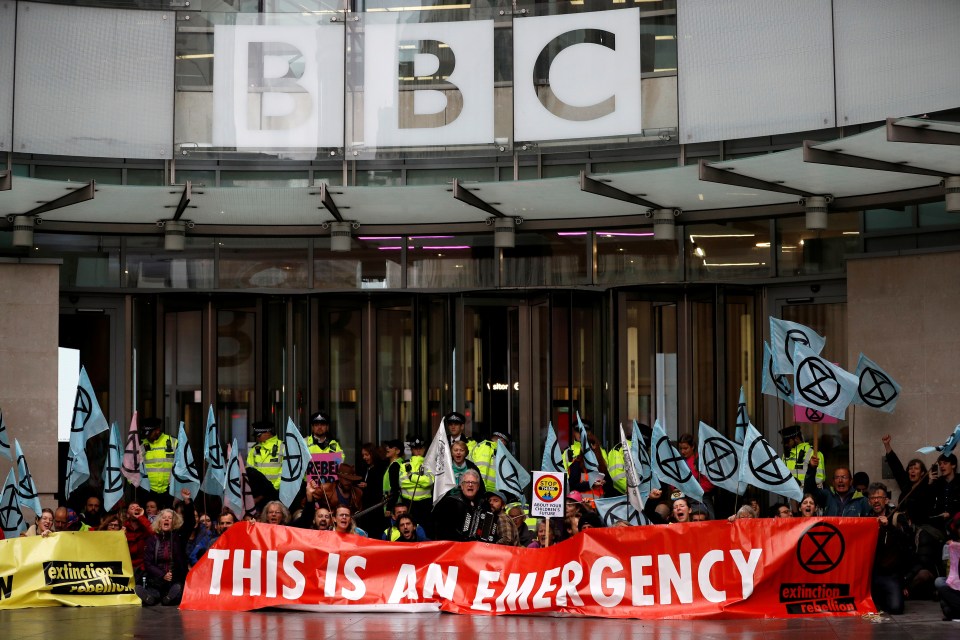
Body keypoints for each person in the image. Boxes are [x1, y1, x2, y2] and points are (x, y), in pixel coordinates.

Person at [138, 489, 195, 607]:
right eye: (164, 518)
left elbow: (190, 522)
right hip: (157, 579)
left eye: (170, 518)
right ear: (159, 522)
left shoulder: (180, 536)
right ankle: (151, 597)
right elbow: (148, 563)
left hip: (175, 579)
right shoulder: (152, 539)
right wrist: (162, 574)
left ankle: (168, 598)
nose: (167, 519)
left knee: (177, 590)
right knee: (154, 592)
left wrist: (187, 501)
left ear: (175, 522)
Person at [869, 482, 909, 615]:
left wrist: (888, 527)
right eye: (872, 498)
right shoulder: (866, 519)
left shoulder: (897, 518)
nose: (876, 501)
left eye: (879, 498)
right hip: (871, 575)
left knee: (896, 608)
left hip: (891, 575)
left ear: (886, 500)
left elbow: (906, 542)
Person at [881, 434, 931, 525]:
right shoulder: (906, 485)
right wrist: (887, 445)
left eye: (916, 469)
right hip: (902, 526)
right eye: (910, 468)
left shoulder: (927, 489)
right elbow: (896, 467)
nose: (912, 471)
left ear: (922, 472)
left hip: (920, 527)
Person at [433, 469, 491, 542]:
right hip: (456, 547)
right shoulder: (449, 502)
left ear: (478, 487)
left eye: (473, 482)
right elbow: (441, 532)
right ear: (462, 486)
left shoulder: (484, 504)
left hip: (478, 547)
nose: (470, 485)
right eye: (467, 482)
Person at [804, 458, 871, 517]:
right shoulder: (827, 495)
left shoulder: (861, 500)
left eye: (844, 477)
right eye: (837, 477)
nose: (840, 480)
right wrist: (811, 469)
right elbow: (809, 491)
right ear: (833, 482)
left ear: (851, 481)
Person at [398, 436, 434, 534]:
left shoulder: (429, 465)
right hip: (409, 503)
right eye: (415, 448)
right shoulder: (405, 464)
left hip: (425, 504)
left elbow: (429, 481)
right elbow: (402, 483)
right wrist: (420, 481)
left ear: (424, 449)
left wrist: (411, 477)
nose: (418, 451)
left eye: (420, 448)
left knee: (426, 532)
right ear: (412, 450)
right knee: (408, 532)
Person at [568, 433, 615, 505]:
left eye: (589, 446)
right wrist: (591, 484)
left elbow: (610, 486)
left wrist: (603, 483)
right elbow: (573, 485)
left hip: (599, 507)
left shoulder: (601, 465)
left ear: (595, 446)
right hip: (583, 507)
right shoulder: (577, 464)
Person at [141, 417, 177, 508]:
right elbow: (132, 466)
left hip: (169, 489)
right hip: (147, 490)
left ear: (157, 430)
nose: (148, 436)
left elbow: (182, 465)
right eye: (146, 434)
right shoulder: (140, 444)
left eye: (150, 433)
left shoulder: (173, 442)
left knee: (167, 517)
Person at [356, 443, 387, 535]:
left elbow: (381, 487)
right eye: (363, 455)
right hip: (365, 508)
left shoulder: (381, 468)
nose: (364, 457)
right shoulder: (364, 468)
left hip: (376, 508)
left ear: (373, 454)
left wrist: (368, 486)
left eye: (367, 455)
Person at [246, 421, 283, 495]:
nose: (257, 438)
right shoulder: (254, 449)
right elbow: (249, 471)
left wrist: (274, 488)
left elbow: (285, 471)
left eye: (259, 436)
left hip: (277, 492)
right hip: (258, 493)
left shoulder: (283, 447)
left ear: (268, 432)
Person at [122, 503, 154, 581]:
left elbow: (153, 532)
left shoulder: (145, 526)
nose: (136, 509)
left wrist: (141, 517)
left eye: (138, 507)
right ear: (128, 514)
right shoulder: (123, 527)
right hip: (126, 565)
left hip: (142, 566)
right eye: (132, 508)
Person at [381, 439, 405, 511]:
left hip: (394, 506)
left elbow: (395, 489)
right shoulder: (400, 463)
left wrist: (389, 508)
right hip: (396, 504)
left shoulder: (395, 466)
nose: (387, 448)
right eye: (387, 446)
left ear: (397, 451)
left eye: (390, 447)